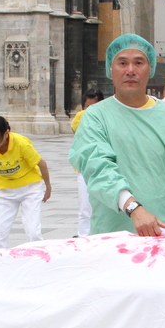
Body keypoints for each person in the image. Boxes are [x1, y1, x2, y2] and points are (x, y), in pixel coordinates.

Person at [69, 33, 165, 237]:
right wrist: (134, 209)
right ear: (111, 69)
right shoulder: (96, 116)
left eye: (138, 62)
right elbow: (98, 169)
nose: (130, 70)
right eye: (122, 63)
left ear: (150, 68)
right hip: (114, 236)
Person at [0, 116, 52, 248]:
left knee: (32, 232)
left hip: (30, 187)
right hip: (5, 190)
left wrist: (48, 187)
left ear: (6, 133)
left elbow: (42, 164)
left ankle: (37, 259)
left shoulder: (21, 143)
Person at [71, 89, 104, 236]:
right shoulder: (80, 117)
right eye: (87, 107)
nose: (89, 111)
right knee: (85, 207)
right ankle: (84, 237)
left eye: (93, 107)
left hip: (105, 166)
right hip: (85, 168)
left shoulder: (107, 117)